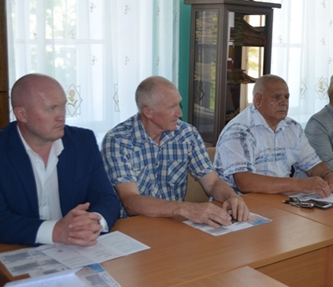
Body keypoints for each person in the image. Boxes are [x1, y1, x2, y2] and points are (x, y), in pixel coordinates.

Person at [101, 76, 249, 228]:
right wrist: (186, 209)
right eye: (172, 107)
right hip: (134, 227)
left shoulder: (187, 134)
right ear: (148, 112)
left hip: (174, 224)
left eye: (179, 104)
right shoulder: (118, 140)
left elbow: (212, 183)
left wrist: (231, 196)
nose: (179, 112)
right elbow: (130, 201)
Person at [0, 74, 119, 246]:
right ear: (22, 114)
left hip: (76, 250)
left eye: (63, 106)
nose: (61, 116)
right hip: (15, 249)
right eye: (51, 109)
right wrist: (56, 231)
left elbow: (106, 198)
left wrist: (94, 223)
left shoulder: (83, 141)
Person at [214, 75, 333, 197]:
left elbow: (312, 164)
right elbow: (245, 182)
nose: (284, 102)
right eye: (276, 97)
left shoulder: (292, 128)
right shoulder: (239, 131)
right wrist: (301, 184)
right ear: (258, 100)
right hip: (241, 206)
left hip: (281, 201)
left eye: (286, 97)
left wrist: (329, 175)